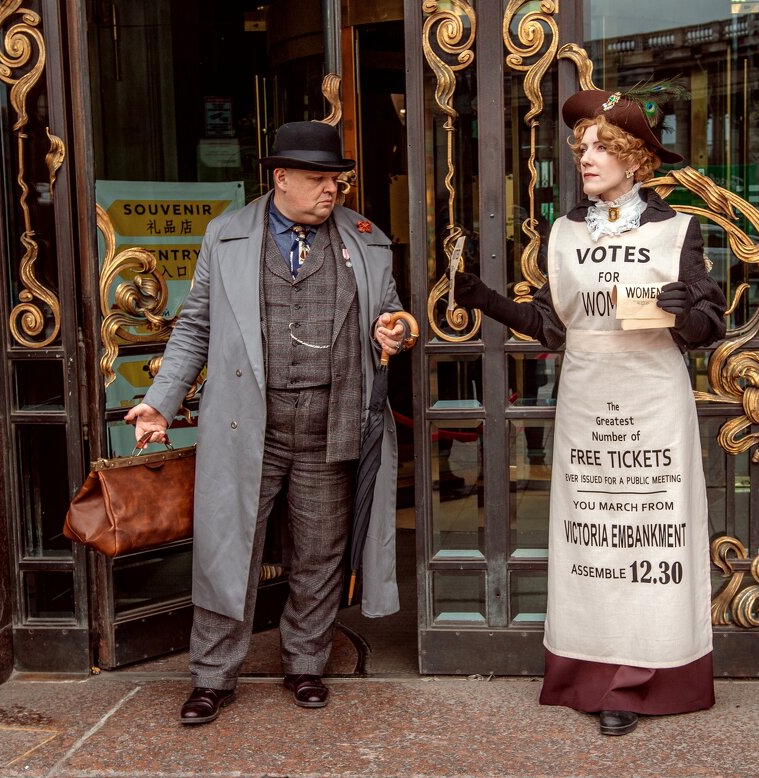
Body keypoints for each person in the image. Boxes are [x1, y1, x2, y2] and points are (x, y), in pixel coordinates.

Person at [454, 89, 726, 736]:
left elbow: (711, 322)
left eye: (602, 146)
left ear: (636, 159)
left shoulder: (677, 230)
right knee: (592, 547)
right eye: (582, 147)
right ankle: (592, 675)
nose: (587, 157)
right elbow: (553, 329)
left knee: (650, 543)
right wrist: (485, 299)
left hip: (653, 408)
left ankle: (638, 681)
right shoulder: (566, 232)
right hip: (586, 408)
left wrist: (681, 310)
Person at [125, 120, 409, 724]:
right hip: (249, 422)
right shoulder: (226, 236)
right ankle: (211, 676)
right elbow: (195, 326)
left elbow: (394, 314)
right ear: (280, 178)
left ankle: (306, 663)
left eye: (337, 179)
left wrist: (399, 329)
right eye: (317, 179)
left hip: (333, 419)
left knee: (320, 550)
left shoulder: (365, 239)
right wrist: (160, 401)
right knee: (229, 549)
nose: (331, 190)